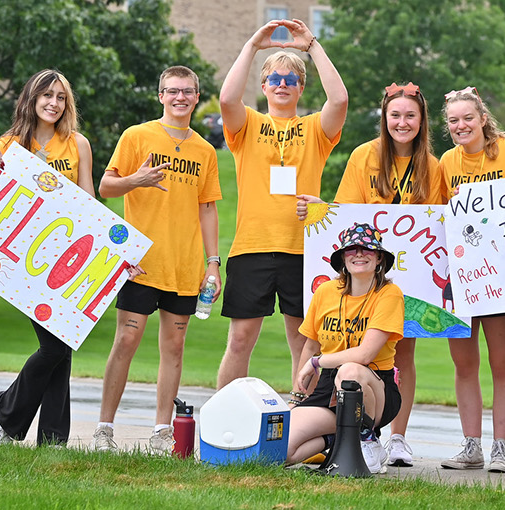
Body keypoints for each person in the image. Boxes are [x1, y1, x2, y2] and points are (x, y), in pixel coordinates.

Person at [297, 82, 445, 468]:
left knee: (402, 353)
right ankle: (345, 431)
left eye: (410, 115)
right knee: (365, 351)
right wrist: (321, 208)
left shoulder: (433, 165)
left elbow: (441, 220)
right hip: (371, 269)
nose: (402, 122)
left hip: (414, 268)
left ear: (421, 120)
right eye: (394, 115)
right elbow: (345, 212)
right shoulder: (364, 156)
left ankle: (398, 438)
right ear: (384, 118)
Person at [90, 66, 222, 454]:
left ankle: (162, 432)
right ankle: (103, 429)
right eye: (172, 91)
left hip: (184, 267)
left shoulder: (205, 150)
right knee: (126, 340)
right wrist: (137, 180)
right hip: (140, 264)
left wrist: (213, 263)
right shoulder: (137, 136)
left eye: (187, 91)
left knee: (174, 348)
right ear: (160, 95)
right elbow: (105, 186)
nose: (180, 97)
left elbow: (208, 209)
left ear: (197, 97)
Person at [214, 19, 347, 391]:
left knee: (303, 343)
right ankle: (227, 422)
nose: (283, 85)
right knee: (240, 340)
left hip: (302, 250)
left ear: (302, 88)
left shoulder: (314, 130)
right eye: (275, 79)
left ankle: (300, 422)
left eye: (291, 80)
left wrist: (312, 46)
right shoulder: (248, 125)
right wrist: (253, 46)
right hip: (252, 246)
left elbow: (339, 100)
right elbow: (227, 99)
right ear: (264, 87)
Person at [0, 69, 94, 446]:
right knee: (55, 346)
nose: (53, 103)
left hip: (68, 257)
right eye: (46, 95)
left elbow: (89, 203)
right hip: (25, 259)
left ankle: (53, 438)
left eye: (61, 97)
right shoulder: (11, 144)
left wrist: (113, 255)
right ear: (31, 98)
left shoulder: (78, 144)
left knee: (63, 347)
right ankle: (7, 410)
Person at [434, 86, 505, 473]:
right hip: (462, 275)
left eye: (468, 118)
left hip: (502, 274)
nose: (461, 126)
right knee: (464, 363)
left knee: (502, 362)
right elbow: (439, 217)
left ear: (483, 118)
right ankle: (471, 445)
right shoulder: (446, 163)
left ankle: (501, 448)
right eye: (453, 121)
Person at [287, 223, 405, 475]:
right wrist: (297, 398)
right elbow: (310, 345)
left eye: (367, 249)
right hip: (328, 387)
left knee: (351, 371)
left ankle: (367, 439)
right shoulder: (326, 291)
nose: (359, 254)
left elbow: (364, 355)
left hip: (373, 385)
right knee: (281, 452)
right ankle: (337, 440)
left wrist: (317, 363)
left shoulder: (389, 294)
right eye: (351, 249)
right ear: (342, 258)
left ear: (379, 258)